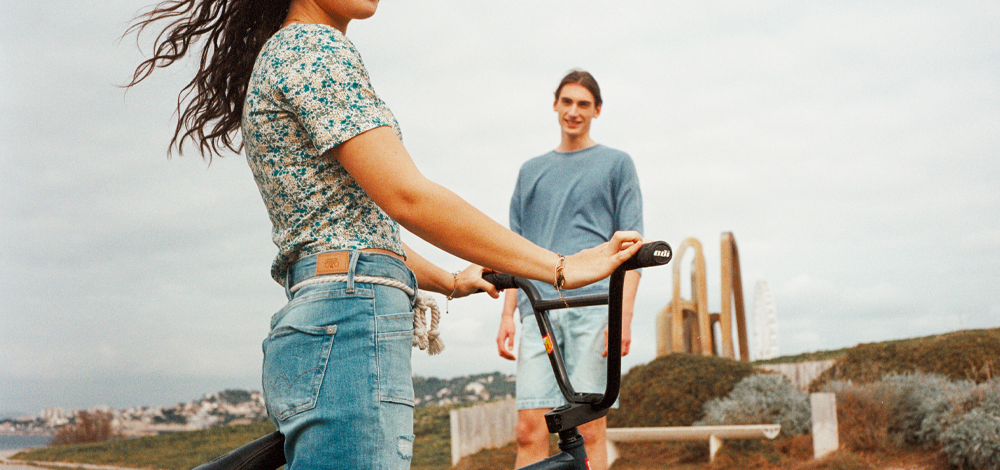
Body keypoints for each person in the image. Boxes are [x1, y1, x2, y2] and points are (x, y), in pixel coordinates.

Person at [124, 2, 644, 469]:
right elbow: (406, 197)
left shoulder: (288, 51)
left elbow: (353, 233)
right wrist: (560, 267)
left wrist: (450, 281)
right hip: (349, 321)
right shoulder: (314, 49)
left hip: (325, 314)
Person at [496, 70, 643, 470]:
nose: (574, 111)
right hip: (538, 309)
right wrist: (507, 314)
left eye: (583, 104)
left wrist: (622, 318)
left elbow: (631, 251)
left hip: (594, 309)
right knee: (529, 429)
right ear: (555, 105)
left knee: (590, 429)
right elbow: (513, 250)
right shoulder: (531, 171)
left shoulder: (617, 164)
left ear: (597, 110)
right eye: (567, 102)